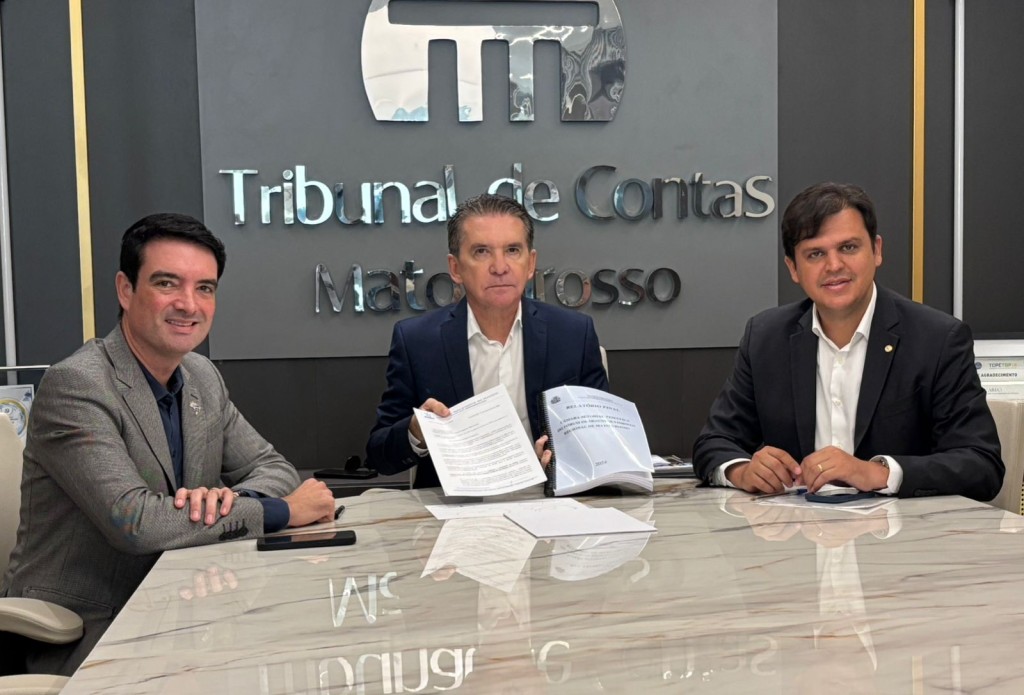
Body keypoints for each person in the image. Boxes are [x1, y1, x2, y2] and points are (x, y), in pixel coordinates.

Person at [1, 213, 335, 674]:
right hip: (85, 629)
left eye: (205, 288)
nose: (188, 304)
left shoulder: (201, 376)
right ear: (125, 290)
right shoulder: (77, 385)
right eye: (166, 283)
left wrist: (228, 500)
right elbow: (135, 522)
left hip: (186, 609)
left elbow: (272, 467)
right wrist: (279, 511)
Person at [693, 182, 1003, 500]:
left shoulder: (937, 339)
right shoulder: (766, 337)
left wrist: (878, 473)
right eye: (815, 254)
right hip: (795, 527)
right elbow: (714, 442)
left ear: (877, 250)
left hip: (902, 528)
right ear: (793, 268)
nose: (834, 266)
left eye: (848, 248)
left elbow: (981, 465)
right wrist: (742, 471)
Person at [366, 193, 609, 488]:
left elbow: (604, 440)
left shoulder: (573, 334)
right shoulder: (417, 341)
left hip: (549, 499)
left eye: (512, 250)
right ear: (455, 268)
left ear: (530, 263)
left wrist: (562, 460)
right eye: (482, 251)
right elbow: (379, 455)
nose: (500, 266)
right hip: (455, 508)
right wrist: (416, 432)